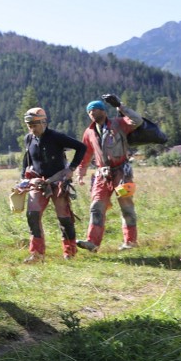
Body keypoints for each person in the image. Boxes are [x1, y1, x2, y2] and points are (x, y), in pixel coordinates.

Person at [74, 95, 143, 252]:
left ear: (104, 111)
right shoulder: (89, 132)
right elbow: (86, 153)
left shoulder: (119, 124)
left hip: (122, 173)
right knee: (96, 206)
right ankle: (92, 243)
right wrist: (81, 171)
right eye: (89, 111)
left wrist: (120, 106)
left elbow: (137, 121)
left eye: (95, 109)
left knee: (126, 207)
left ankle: (130, 242)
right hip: (102, 175)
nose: (92, 113)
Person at [19, 107, 87, 262]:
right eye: (29, 125)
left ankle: (69, 252)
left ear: (44, 122)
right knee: (32, 215)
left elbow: (81, 147)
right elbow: (27, 159)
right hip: (38, 182)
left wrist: (71, 168)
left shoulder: (56, 137)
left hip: (58, 182)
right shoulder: (28, 139)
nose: (31, 128)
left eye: (34, 125)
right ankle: (37, 254)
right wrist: (24, 178)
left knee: (64, 217)